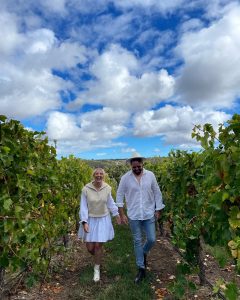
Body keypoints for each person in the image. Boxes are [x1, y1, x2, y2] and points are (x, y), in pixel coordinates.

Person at [116, 153, 165, 284]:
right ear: (131, 166)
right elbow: (119, 196)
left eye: (139, 166)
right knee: (137, 240)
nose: (137, 169)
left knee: (152, 239)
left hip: (149, 213)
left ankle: (142, 253)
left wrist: (158, 209)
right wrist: (122, 214)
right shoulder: (125, 178)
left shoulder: (151, 176)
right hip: (134, 215)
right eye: (134, 167)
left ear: (142, 164)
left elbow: (157, 192)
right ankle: (141, 268)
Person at [78, 168, 121, 282]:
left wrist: (116, 215)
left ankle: (97, 269)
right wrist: (84, 221)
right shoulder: (86, 189)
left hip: (103, 219)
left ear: (103, 176)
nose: (99, 175)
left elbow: (110, 203)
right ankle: (98, 256)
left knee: (98, 245)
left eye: (101, 174)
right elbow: (83, 206)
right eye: (96, 174)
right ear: (93, 175)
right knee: (90, 248)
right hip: (90, 219)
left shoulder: (107, 188)